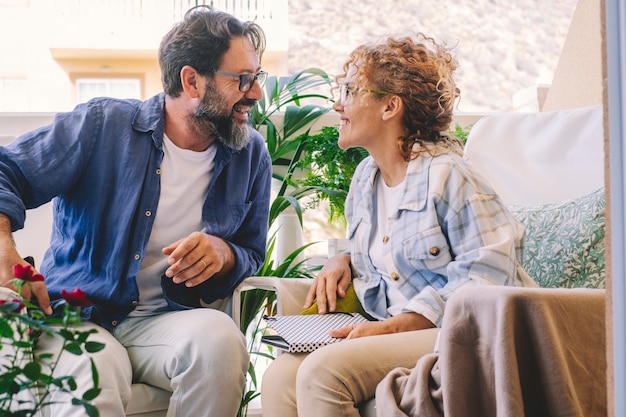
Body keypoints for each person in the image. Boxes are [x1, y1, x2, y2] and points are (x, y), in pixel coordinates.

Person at [0, 5, 272, 417]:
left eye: (257, 78)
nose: (255, 93)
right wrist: (4, 250)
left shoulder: (250, 154)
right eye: (243, 79)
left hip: (166, 321)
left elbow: (250, 250)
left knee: (219, 341)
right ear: (191, 80)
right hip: (81, 314)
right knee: (96, 371)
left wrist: (225, 252)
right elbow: (7, 170)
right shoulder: (101, 125)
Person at [261, 33, 537, 417]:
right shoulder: (365, 178)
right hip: (397, 327)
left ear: (390, 106)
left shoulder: (450, 175)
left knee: (324, 373)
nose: (337, 104)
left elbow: (492, 270)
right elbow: (388, 252)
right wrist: (343, 259)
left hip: (458, 334)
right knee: (277, 377)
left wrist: (399, 325)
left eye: (350, 91)